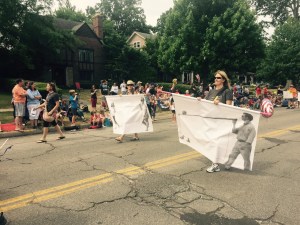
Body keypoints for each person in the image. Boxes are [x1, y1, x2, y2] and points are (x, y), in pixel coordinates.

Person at [198, 70, 233, 173]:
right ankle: (228, 159)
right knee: (214, 142)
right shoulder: (211, 91)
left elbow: (229, 108)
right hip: (211, 121)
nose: (216, 79)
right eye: (215, 77)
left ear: (223, 80)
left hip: (221, 121)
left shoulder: (227, 91)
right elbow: (206, 104)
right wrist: (200, 100)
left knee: (216, 143)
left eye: (218, 78)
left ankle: (216, 164)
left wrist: (219, 104)